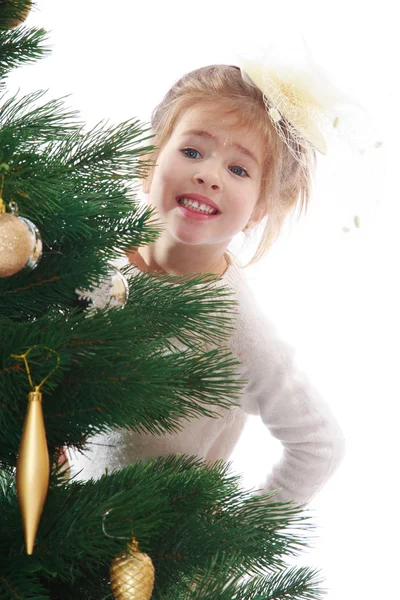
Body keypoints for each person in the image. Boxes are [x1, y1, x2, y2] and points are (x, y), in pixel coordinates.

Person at [68, 61, 346, 505]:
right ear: (149, 162)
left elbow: (319, 445)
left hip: (155, 556)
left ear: (258, 209)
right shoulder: (94, 254)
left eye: (239, 170)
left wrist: (235, 541)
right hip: (54, 527)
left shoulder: (233, 319)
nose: (209, 175)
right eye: (193, 152)